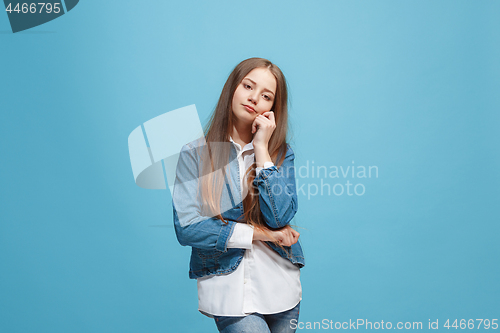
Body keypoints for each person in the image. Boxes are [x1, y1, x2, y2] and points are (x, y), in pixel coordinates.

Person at [172, 57, 305, 333]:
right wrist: (260, 234)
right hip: (227, 290)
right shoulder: (195, 154)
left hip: (281, 289)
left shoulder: (280, 154)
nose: (254, 98)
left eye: (266, 96)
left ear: (272, 108)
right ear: (233, 87)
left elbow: (280, 216)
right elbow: (187, 228)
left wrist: (262, 150)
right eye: (248, 86)